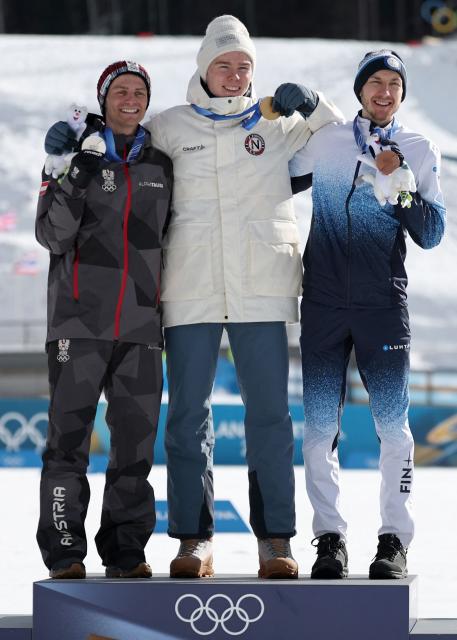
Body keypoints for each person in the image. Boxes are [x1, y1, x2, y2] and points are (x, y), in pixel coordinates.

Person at [145, 15, 344, 579]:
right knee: (187, 418)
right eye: (224, 66)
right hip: (190, 287)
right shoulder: (169, 127)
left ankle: (276, 539)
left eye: (244, 67)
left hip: (261, 287)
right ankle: (193, 541)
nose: (235, 76)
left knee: (271, 418)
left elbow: (339, 145)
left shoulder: (276, 122)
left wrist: (316, 103)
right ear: (204, 69)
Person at [289, 50, 446, 579]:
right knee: (318, 429)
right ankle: (329, 538)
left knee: (393, 429)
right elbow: (275, 181)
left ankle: (392, 541)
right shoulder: (329, 141)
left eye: (393, 84)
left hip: (383, 306)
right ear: (359, 90)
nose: (383, 91)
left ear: (402, 94)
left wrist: (399, 183)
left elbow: (431, 233)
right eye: (374, 82)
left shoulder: (420, 149)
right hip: (325, 304)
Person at [35, 60, 173, 579]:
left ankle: (127, 551)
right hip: (78, 326)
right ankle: (65, 551)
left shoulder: (161, 164)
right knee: (68, 446)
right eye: (121, 91)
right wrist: (77, 169)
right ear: (104, 97)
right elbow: (52, 235)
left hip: (141, 330)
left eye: (139, 91)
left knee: (135, 449)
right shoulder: (70, 155)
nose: (131, 99)